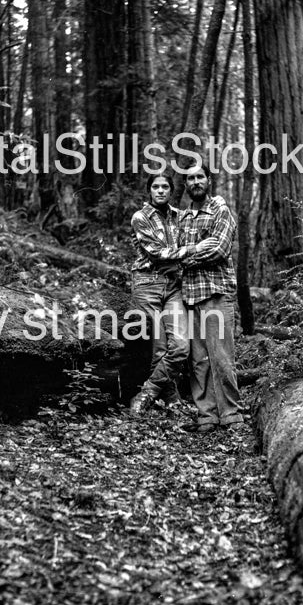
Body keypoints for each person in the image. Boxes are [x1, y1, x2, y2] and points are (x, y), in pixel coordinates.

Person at [179, 162, 244, 433]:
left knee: (221, 357)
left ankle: (232, 415)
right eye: (190, 178)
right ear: (185, 184)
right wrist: (189, 251)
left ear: (209, 180)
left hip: (216, 292)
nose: (195, 182)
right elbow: (170, 250)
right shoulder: (183, 217)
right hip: (191, 296)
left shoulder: (221, 210)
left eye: (200, 177)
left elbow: (218, 249)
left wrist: (185, 255)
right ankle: (207, 415)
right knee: (199, 361)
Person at [128, 172, 190, 414]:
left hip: (173, 285)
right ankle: (172, 398)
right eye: (156, 186)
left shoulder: (180, 217)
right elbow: (157, 253)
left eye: (165, 186)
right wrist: (189, 250)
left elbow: (175, 250)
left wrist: (181, 251)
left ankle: (148, 392)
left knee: (181, 346)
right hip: (146, 284)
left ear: (171, 190)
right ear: (150, 190)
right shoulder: (140, 217)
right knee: (160, 346)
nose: (161, 190)